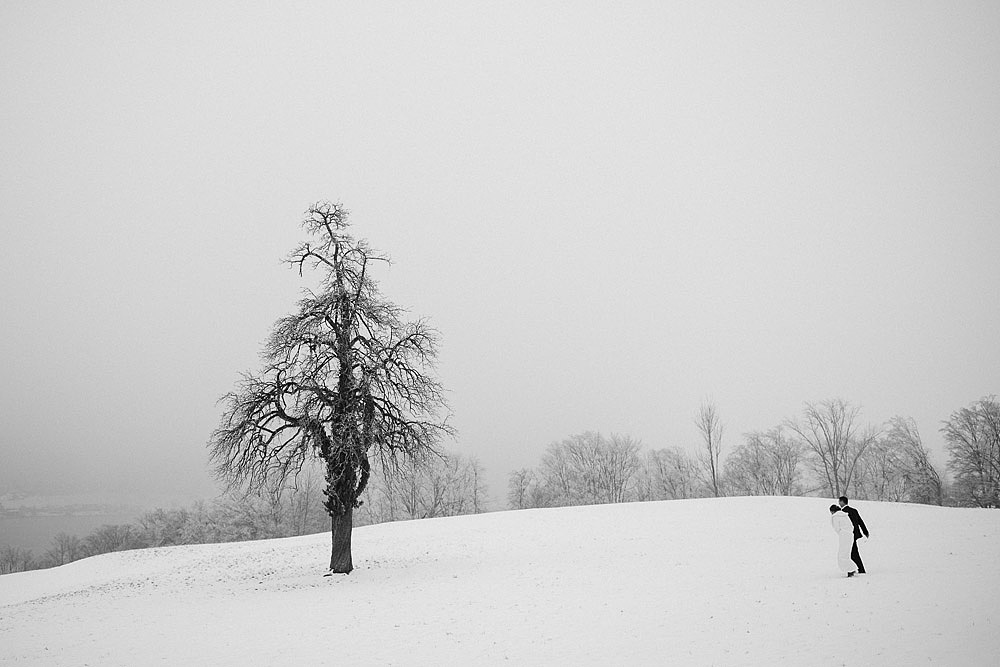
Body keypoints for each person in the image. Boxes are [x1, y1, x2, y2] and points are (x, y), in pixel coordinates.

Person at [838, 496, 869, 574]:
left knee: (852, 553)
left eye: (839, 501)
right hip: (855, 534)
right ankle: (858, 569)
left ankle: (857, 569)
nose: (838, 503)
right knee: (853, 552)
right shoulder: (854, 510)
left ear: (842, 502)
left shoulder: (843, 513)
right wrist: (865, 532)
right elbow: (860, 522)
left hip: (849, 535)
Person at [829, 504, 857, 577]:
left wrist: (841, 533)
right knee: (846, 554)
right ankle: (851, 569)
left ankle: (851, 569)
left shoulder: (835, 517)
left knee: (842, 555)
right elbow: (852, 526)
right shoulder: (845, 515)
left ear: (832, 511)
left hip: (843, 535)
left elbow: (836, 528)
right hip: (850, 535)